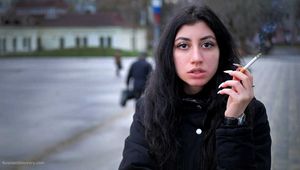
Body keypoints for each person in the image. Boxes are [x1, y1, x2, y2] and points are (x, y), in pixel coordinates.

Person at [119, 4, 271, 170]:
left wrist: (233, 123)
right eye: (183, 46)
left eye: (207, 44)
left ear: (221, 51)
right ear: (169, 54)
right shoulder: (149, 108)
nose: (196, 58)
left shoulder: (251, 112)